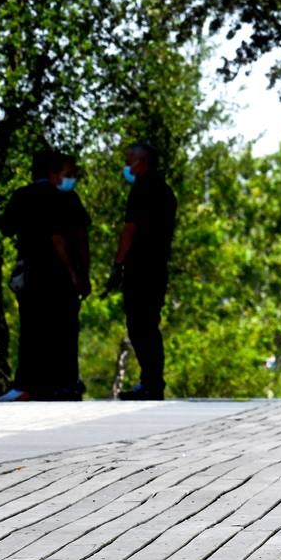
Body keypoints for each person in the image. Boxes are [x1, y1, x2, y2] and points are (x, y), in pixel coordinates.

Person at [0, 150, 92, 401]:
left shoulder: (24, 196)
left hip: (33, 273)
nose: (71, 179)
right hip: (62, 275)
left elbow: (7, 228)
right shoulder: (69, 199)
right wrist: (81, 273)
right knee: (65, 330)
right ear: (52, 173)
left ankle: (29, 384)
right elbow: (73, 239)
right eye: (68, 173)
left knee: (33, 329)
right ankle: (66, 382)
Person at [105, 143, 177, 400]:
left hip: (141, 268)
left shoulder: (142, 189)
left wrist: (118, 265)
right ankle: (152, 381)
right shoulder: (166, 191)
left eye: (129, 161)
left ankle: (151, 383)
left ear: (142, 161)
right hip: (158, 268)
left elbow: (130, 230)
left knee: (139, 325)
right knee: (149, 325)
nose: (126, 166)